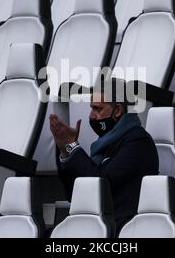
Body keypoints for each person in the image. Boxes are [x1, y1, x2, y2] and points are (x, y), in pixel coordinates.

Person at [49, 78, 159, 233]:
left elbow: (101, 184)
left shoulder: (137, 141)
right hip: (97, 223)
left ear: (118, 110)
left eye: (98, 109)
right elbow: (74, 195)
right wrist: (65, 149)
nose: (92, 116)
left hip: (122, 228)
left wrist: (73, 147)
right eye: (91, 108)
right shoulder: (106, 144)